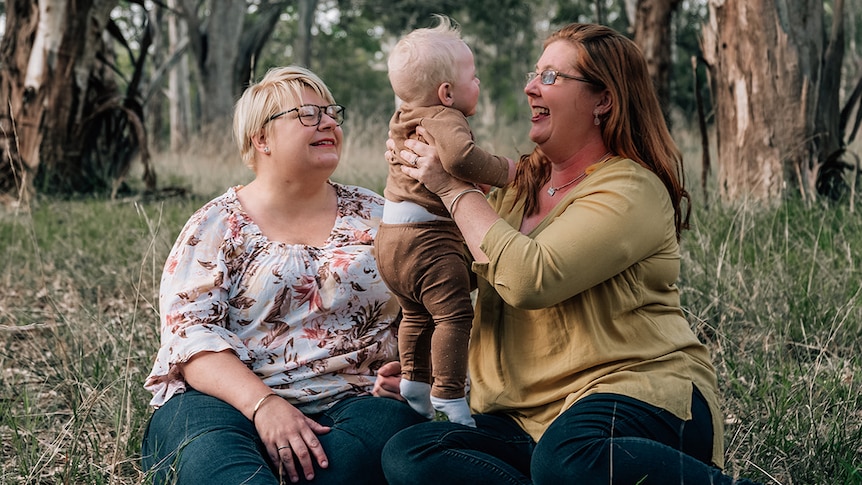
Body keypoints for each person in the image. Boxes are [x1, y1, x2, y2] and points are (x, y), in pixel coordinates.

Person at [375, 23, 762, 485]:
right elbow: (457, 275)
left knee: (567, 459)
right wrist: (434, 360)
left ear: (604, 100)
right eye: (534, 72)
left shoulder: (629, 187)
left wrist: (452, 186)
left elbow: (526, 279)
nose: (530, 86)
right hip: (528, 419)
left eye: (552, 76)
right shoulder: (518, 190)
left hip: (634, 396)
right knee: (410, 453)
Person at [140, 66, 424, 485]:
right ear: (261, 138)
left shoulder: (380, 216)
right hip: (225, 402)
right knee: (224, 471)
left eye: (331, 113)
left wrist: (413, 371)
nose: (328, 122)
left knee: (352, 461)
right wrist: (265, 405)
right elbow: (190, 336)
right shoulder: (216, 225)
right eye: (307, 114)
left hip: (354, 400)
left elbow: (425, 309)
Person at [374, 14, 515, 427]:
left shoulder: (404, 117)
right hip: (427, 242)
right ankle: (450, 396)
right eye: (474, 77)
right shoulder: (444, 117)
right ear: (447, 92)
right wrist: (510, 170)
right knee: (453, 315)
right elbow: (460, 158)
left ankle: (415, 382)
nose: (479, 85)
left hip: (390, 240)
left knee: (416, 315)